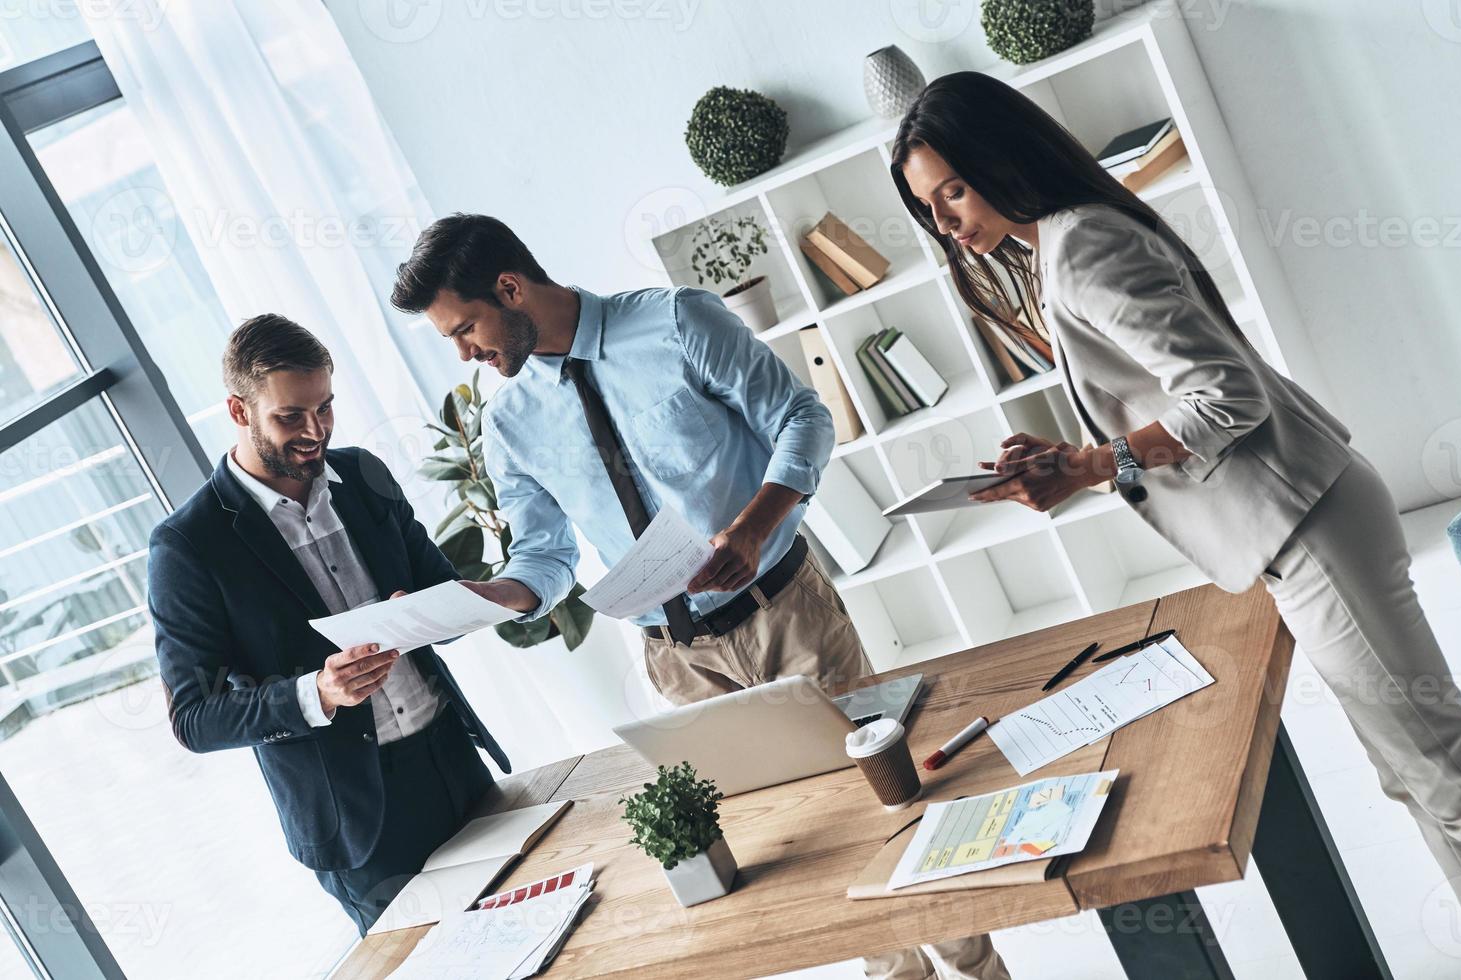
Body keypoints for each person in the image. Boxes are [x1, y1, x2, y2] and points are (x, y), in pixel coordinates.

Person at [891, 70, 1461, 919]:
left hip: (1309, 526)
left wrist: (1091, 465)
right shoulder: (1063, 245)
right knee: (1414, 774)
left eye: (954, 190)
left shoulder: (1083, 245)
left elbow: (1227, 396)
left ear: (1001, 159)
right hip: (1298, 523)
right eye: (927, 208)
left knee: (1442, 776)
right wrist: (1082, 462)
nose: (945, 222)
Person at [389, 214, 1010, 979]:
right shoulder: (511, 421)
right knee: (812, 846)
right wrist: (493, 595)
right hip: (679, 665)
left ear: (510, 288)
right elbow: (544, 556)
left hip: (786, 616)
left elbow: (801, 416)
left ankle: (977, 968)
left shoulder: (677, 321)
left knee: (891, 811)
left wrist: (752, 527)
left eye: (466, 328)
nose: (464, 352)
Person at [147, 314, 511, 935]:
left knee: (544, 925)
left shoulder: (364, 474)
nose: (315, 432)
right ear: (239, 410)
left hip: (454, 760)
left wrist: (428, 610)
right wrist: (316, 694)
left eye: (326, 408)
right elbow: (194, 718)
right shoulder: (188, 546)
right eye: (291, 417)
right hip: (357, 820)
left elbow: (440, 587)